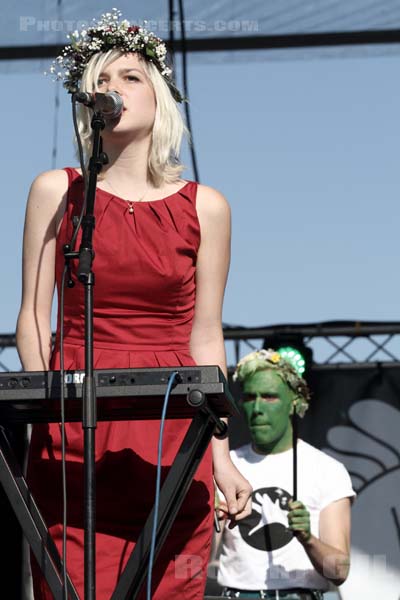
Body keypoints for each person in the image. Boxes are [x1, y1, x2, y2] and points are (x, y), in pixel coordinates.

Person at [15, 9, 251, 599]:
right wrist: (45, 409)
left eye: (130, 77)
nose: (112, 90)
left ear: (160, 99)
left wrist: (221, 455)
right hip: (72, 419)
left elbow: (206, 336)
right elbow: (30, 316)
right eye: (101, 80)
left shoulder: (206, 207)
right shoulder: (57, 190)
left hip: (174, 423)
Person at [214, 349, 355, 600]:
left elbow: (339, 570)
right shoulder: (225, 467)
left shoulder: (327, 469)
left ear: (294, 403)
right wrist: (212, 523)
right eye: (249, 397)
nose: (257, 408)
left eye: (269, 397)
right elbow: (196, 562)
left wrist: (307, 538)